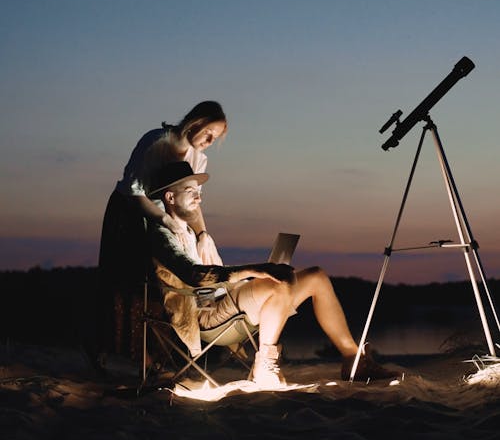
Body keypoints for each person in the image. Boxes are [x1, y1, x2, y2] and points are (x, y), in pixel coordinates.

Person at [145, 161, 397, 388]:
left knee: (316, 277)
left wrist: (255, 274)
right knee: (280, 280)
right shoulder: (162, 234)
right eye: (191, 192)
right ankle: (264, 366)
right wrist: (256, 270)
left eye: (199, 192)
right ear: (170, 197)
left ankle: (354, 359)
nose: (199, 198)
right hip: (204, 314)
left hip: (224, 299)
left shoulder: (190, 232)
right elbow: (193, 275)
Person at [95, 101, 227, 363]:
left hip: (169, 216)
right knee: (129, 282)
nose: (210, 142)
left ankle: (157, 356)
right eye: (209, 134)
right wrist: (166, 221)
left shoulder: (198, 158)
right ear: (196, 122)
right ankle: (115, 353)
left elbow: (193, 199)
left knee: (165, 283)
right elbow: (134, 191)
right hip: (130, 212)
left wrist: (202, 234)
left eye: (216, 138)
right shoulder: (156, 141)